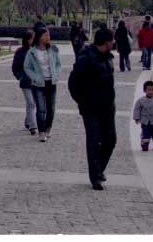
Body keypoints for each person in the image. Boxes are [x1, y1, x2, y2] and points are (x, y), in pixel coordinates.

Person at [71, 28, 117, 190]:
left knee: (110, 140)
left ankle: (99, 169)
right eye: (112, 40)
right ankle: (95, 177)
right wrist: (82, 102)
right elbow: (73, 84)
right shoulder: (85, 59)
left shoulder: (108, 58)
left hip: (108, 107)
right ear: (106, 42)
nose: (113, 43)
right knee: (93, 142)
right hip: (91, 108)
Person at [24, 27, 62, 142]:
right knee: (41, 109)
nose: (48, 37)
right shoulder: (32, 52)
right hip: (38, 84)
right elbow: (27, 67)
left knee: (51, 108)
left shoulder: (53, 50)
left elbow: (58, 64)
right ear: (40, 37)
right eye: (46, 35)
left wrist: (56, 74)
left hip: (52, 82)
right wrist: (35, 77)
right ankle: (41, 132)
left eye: (49, 35)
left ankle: (48, 129)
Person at [12, 31, 37, 135]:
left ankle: (28, 121)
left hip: (36, 81)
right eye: (32, 38)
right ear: (27, 40)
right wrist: (20, 77)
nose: (33, 40)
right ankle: (33, 126)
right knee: (31, 103)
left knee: (32, 103)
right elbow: (15, 67)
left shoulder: (37, 50)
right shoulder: (20, 52)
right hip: (26, 82)